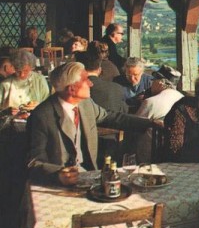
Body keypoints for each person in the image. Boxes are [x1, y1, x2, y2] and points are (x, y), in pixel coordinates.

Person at [26, 62, 161, 185]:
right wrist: (58, 174)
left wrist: (150, 123)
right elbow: (33, 162)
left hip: (89, 176)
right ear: (72, 89)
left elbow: (112, 117)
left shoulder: (86, 104)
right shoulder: (42, 115)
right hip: (57, 184)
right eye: (86, 80)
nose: (91, 84)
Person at [133, 65, 184, 162]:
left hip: (150, 157)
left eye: (153, 80)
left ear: (161, 83)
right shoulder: (182, 99)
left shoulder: (150, 102)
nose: (151, 84)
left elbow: (134, 126)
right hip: (176, 154)